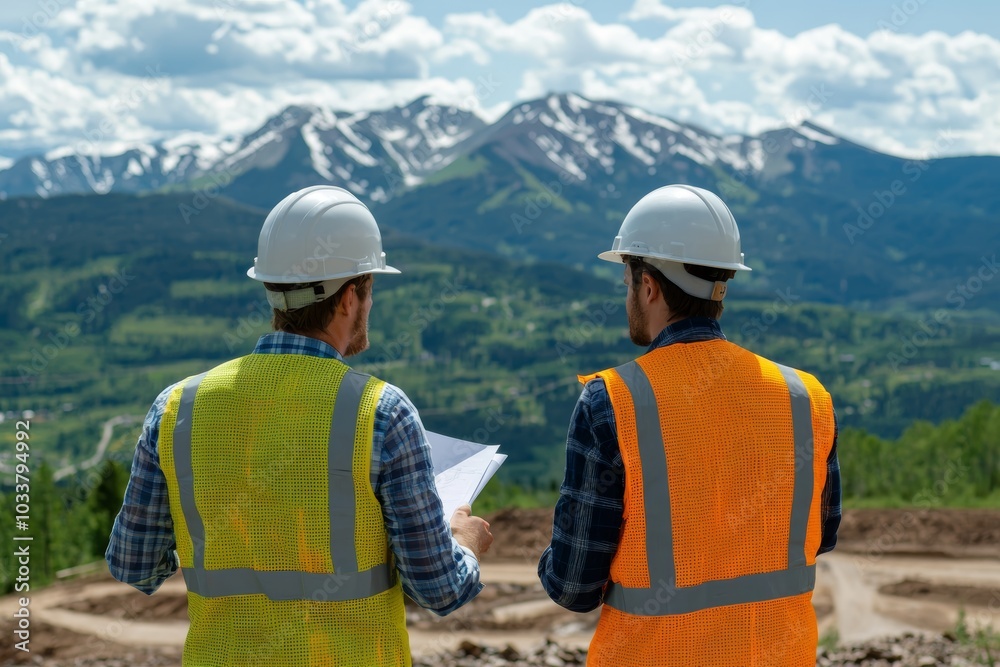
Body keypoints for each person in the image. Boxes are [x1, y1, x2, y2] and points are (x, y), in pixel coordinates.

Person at [106, 185, 493, 666]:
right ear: (352, 297)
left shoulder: (175, 407)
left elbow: (133, 564)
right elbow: (439, 589)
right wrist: (465, 541)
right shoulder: (382, 412)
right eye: (371, 289)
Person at [538, 184, 841, 666]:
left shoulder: (613, 401)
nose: (627, 294)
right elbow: (819, 537)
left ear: (649, 286)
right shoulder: (806, 398)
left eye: (627, 280)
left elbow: (574, 586)